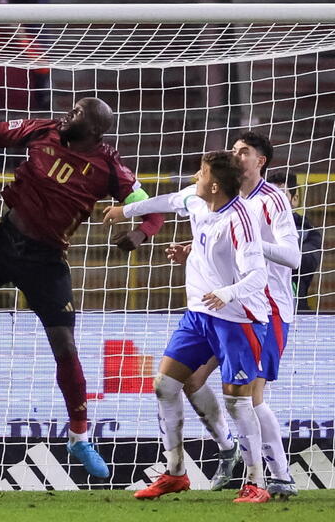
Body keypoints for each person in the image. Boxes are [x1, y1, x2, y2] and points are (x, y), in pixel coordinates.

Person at [0, 97, 165, 478]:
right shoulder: (44, 129)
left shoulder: (109, 166)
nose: (68, 114)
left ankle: (79, 437)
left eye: (78, 113)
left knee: (65, 346)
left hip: (46, 261)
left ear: (94, 130)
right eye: (72, 108)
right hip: (3, 241)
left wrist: (141, 233)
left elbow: (152, 207)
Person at [103, 151, 272, 503]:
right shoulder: (198, 199)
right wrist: (126, 211)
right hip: (198, 316)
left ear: (214, 185)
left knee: (238, 403)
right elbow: (166, 200)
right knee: (165, 385)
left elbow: (259, 275)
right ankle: (176, 472)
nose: (195, 175)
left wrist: (227, 292)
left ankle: (257, 481)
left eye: (201, 172)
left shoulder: (241, 221)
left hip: (238, 320)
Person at [269, 170, 322, 311]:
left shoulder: (308, 233)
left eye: (281, 196)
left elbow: (303, 263)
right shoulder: (254, 227)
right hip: (256, 308)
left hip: (295, 310)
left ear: (295, 199)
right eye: (269, 197)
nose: (275, 203)